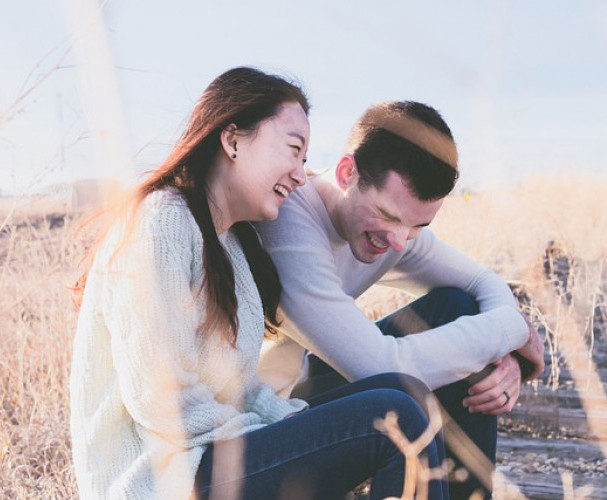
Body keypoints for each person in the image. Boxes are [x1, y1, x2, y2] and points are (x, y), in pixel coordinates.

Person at [69, 69, 448, 499]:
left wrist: (289, 424)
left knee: (403, 389)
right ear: (232, 140)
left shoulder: (230, 245)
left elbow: (238, 386)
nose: (301, 175)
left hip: (211, 458)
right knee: (393, 416)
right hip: (162, 480)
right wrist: (269, 433)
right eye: (292, 150)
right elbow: (159, 398)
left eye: (305, 160)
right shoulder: (161, 222)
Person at [255, 100, 546, 498]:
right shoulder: (289, 224)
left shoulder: (397, 230)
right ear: (346, 173)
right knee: (407, 394)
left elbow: (482, 281)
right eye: (388, 215)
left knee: (457, 306)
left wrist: (504, 355)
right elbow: (379, 365)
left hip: (301, 388)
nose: (398, 240)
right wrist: (510, 331)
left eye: (418, 225)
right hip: (259, 424)